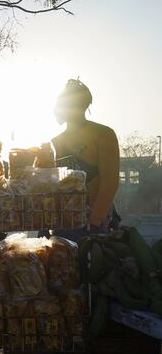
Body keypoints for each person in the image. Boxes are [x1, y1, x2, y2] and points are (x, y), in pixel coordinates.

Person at [52, 79, 120, 238]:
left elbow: (109, 183)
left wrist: (95, 222)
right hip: (62, 220)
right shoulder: (56, 142)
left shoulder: (103, 135)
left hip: (93, 220)